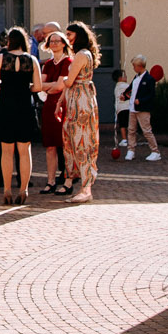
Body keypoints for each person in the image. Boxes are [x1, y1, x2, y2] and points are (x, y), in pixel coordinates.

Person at [0, 28, 43, 204]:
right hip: (24, 105)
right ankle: (24, 189)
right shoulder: (32, 60)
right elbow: (38, 87)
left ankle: (6, 189)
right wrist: (25, 88)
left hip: (6, 105)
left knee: (6, 151)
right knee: (24, 150)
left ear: (9, 41)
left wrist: (5, 84)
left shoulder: (1, 58)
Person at [63, 22, 104, 201]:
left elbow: (69, 81)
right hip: (81, 99)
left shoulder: (81, 55)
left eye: (70, 35)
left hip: (80, 102)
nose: (67, 39)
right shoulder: (85, 54)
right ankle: (81, 184)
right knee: (78, 140)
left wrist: (64, 78)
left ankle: (86, 188)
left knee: (82, 141)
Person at [38, 28, 72, 195]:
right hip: (49, 106)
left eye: (57, 41)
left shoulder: (68, 62)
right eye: (51, 41)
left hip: (63, 105)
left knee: (65, 145)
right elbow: (38, 86)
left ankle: (67, 180)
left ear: (64, 44)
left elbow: (60, 86)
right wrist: (51, 87)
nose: (54, 44)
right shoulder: (48, 64)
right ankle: (50, 181)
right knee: (50, 146)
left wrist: (48, 87)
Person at [128, 56, 162, 161]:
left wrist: (141, 100)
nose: (133, 68)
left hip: (143, 109)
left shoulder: (149, 79)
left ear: (139, 66)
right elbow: (130, 89)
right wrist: (124, 95)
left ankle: (155, 151)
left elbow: (151, 95)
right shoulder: (136, 77)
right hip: (133, 108)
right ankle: (131, 150)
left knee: (146, 130)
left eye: (134, 66)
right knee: (131, 130)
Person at [112, 69, 133, 155]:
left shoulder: (116, 87)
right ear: (120, 78)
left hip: (120, 109)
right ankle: (129, 139)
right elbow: (131, 92)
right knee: (128, 124)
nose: (126, 77)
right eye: (125, 75)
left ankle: (124, 139)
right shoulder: (125, 86)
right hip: (127, 108)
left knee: (122, 125)